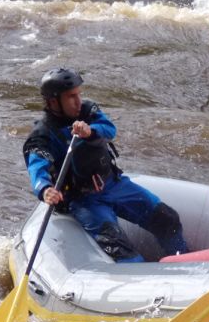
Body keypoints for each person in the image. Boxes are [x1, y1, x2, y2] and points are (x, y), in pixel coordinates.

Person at [23, 67, 188, 262]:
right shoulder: (42, 135)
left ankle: (183, 261)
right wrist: (45, 189)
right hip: (84, 202)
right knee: (126, 255)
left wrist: (90, 131)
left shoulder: (87, 110)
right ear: (53, 102)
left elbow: (110, 129)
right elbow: (37, 168)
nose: (78, 101)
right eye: (71, 96)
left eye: (79, 94)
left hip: (114, 185)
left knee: (168, 219)